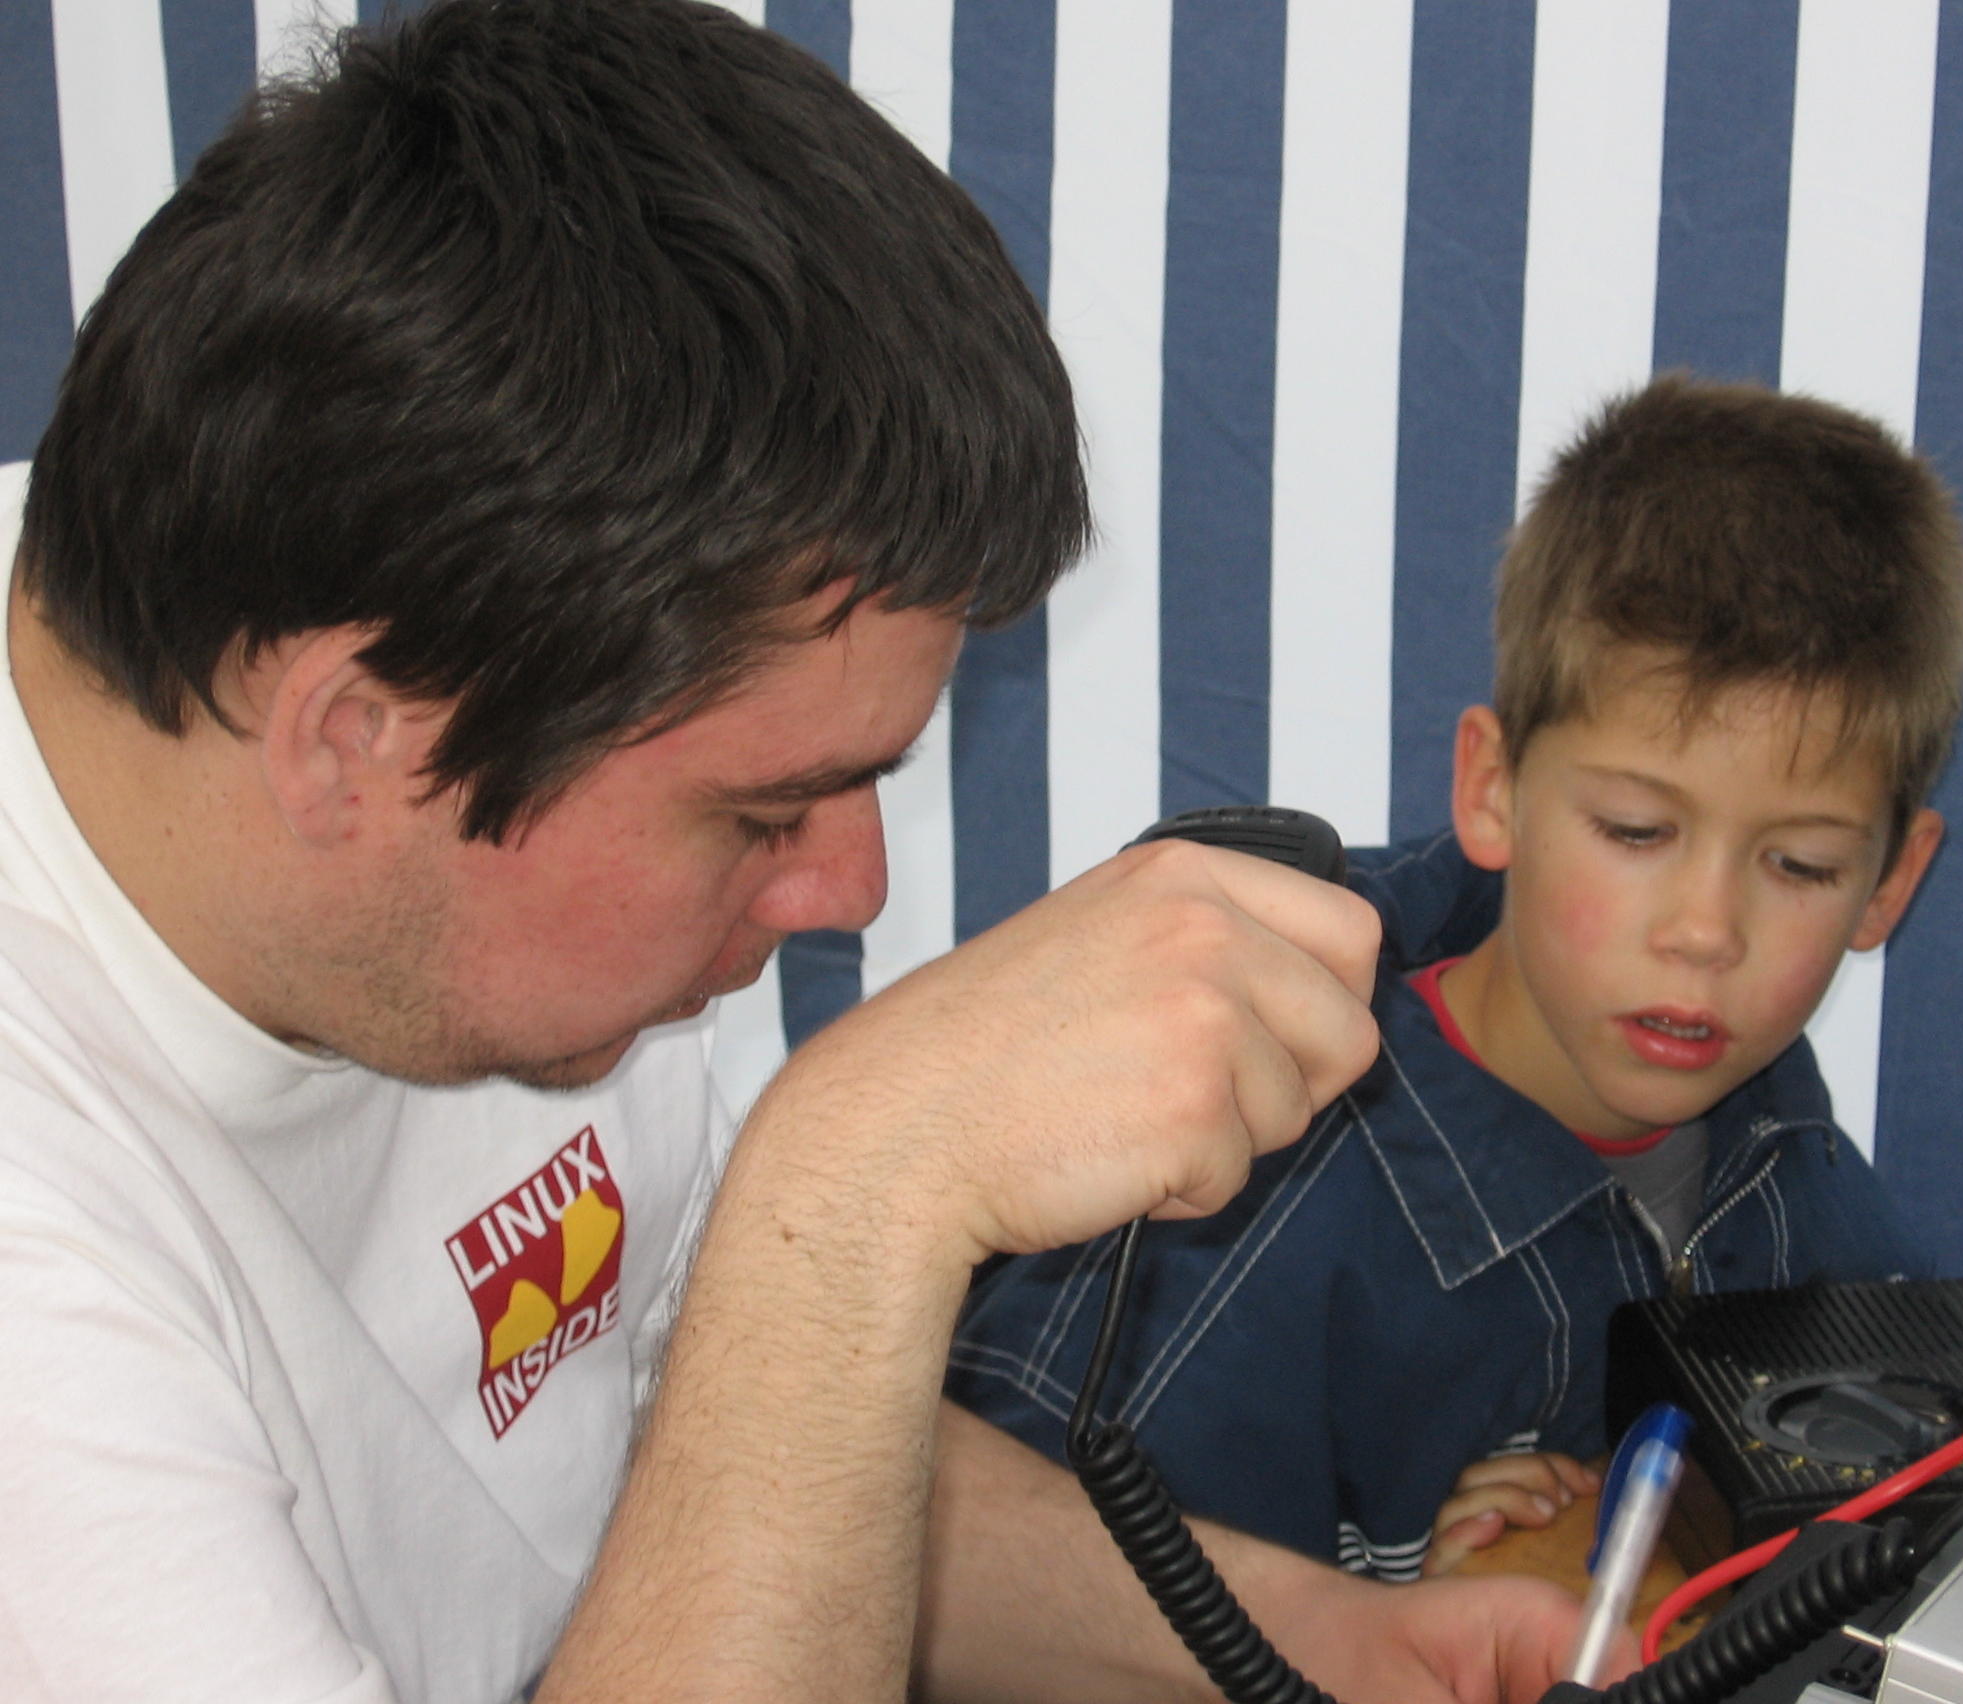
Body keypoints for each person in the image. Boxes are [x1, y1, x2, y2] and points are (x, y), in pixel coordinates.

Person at [0, 3, 1598, 1700]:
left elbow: (740, 1464)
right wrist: (853, 1189)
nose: (848, 892)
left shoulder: (395, 689)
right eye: (764, 814)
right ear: (354, 737)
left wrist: (1331, 1646)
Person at [947, 374, 1963, 1585]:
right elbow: (968, 1609)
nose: (1705, 932)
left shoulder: (1782, 1146)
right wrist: (1398, 1627)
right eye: (1635, 831)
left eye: (1799, 865)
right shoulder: (1229, 1204)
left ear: (1890, 880)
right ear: (1493, 789)